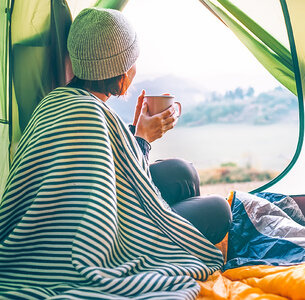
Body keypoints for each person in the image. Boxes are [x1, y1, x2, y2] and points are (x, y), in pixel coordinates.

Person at [0, 7, 230, 299]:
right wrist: (143, 138)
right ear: (122, 75)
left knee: (182, 172)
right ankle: (172, 238)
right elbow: (110, 199)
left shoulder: (56, 101)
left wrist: (138, 134)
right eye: (133, 63)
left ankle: (171, 225)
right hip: (96, 238)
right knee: (219, 210)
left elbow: (112, 176)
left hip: (98, 208)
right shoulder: (90, 114)